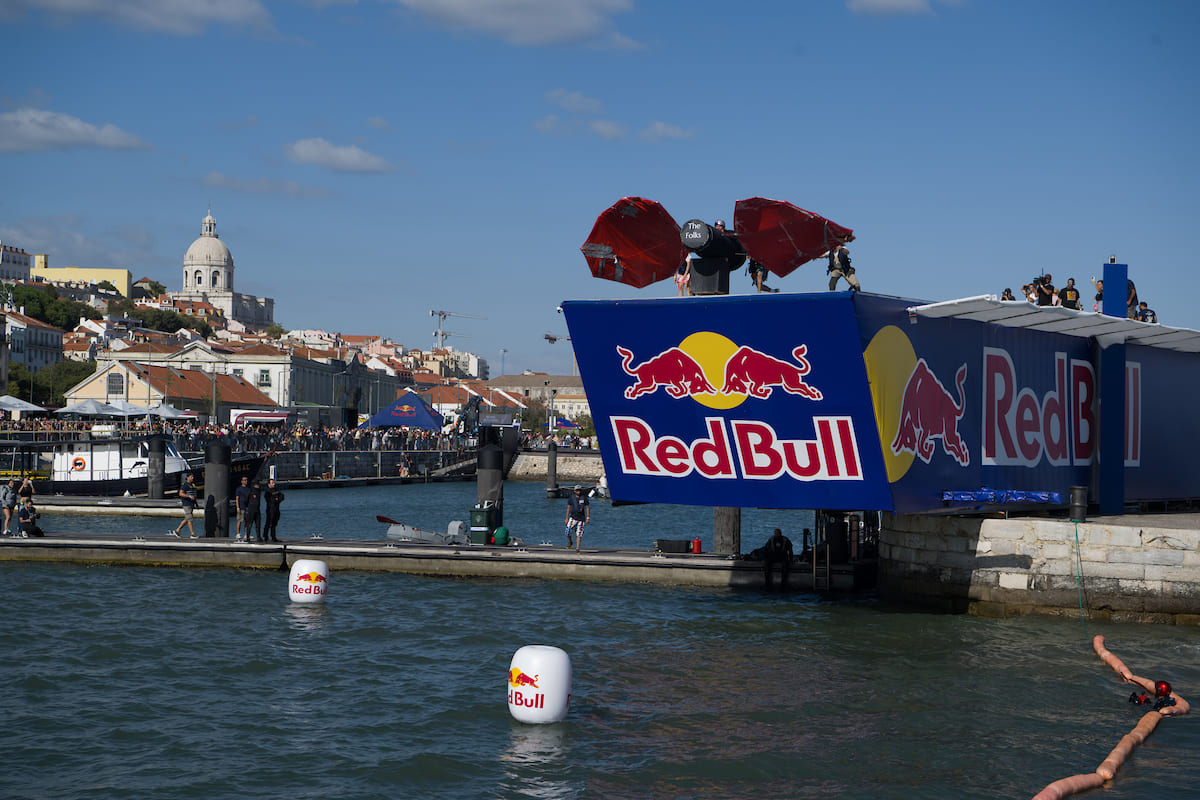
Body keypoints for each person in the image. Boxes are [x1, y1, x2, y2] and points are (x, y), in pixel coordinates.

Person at [169, 473, 198, 538]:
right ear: (187, 477)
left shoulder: (192, 485)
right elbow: (181, 493)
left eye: (193, 477)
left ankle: (177, 530)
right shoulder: (185, 485)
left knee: (187, 518)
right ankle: (192, 534)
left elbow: (194, 496)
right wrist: (189, 496)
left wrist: (196, 504)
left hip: (191, 504)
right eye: (191, 477)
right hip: (186, 504)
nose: (192, 478)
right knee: (190, 518)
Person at [564, 484, 589, 552]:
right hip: (573, 517)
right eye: (577, 490)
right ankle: (570, 541)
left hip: (581, 518)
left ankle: (577, 548)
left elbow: (587, 507)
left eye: (579, 490)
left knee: (579, 533)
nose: (579, 492)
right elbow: (568, 507)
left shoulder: (583, 498)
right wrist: (566, 518)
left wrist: (588, 517)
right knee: (567, 531)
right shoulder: (572, 498)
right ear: (574, 491)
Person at [263, 478, 284, 542]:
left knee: (274, 524)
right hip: (270, 509)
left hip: (276, 509)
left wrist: (278, 500)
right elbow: (269, 499)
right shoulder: (267, 491)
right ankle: (265, 536)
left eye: (274, 483)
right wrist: (275, 499)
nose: (274, 484)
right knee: (268, 523)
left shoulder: (276, 490)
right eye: (272, 483)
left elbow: (282, 496)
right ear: (269, 484)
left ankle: (273, 536)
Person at [234, 475, 251, 542]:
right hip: (241, 506)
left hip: (247, 507)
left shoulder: (248, 489)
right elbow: (237, 498)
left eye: (246, 480)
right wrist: (237, 507)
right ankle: (238, 533)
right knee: (239, 520)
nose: (245, 481)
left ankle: (246, 534)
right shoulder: (239, 489)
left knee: (247, 521)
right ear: (241, 481)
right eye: (244, 480)